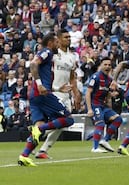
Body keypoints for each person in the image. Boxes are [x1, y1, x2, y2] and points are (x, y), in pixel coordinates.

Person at [18, 32, 76, 167]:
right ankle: (40, 130)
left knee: (38, 128)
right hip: (41, 94)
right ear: (50, 43)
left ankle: (24, 156)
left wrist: (57, 89)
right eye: (56, 43)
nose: (58, 45)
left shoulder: (49, 56)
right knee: (68, 119)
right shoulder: (47, 52)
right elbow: (33, 64)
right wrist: (39, 84)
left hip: (36, 96)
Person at [35, 29, 81, 159]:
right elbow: (39, 67)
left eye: (69, 37)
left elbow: (72, 77)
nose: (68, 39)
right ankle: (37, 142)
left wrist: (76, 93)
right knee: (62, 121)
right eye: (65, 37)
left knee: (61, 124)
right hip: (53, 91)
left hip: (65, 93)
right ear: (58, 40)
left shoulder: (72, 56)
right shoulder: (53, 54)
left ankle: (40, 146)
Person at [86, 58, 123, 153]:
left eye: (109, 65)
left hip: (103, 106)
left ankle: (105, 140)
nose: (107, 67)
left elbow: (108, 96)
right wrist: (89, 109)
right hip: (95, 105)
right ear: (101, 66)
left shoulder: (109, 80)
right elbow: (88, 93)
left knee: (118, 119)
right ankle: (95, 148)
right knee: (101, 124)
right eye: (105, 64)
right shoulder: (96, 77)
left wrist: (110, 110)